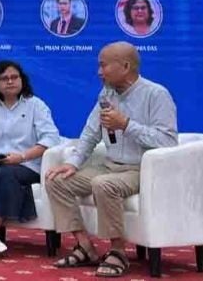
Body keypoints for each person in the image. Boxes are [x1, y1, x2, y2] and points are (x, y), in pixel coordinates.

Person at [45, 42, 177, 277]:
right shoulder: (106, 94)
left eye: (103, 65)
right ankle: (85, 246)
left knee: (103, 184)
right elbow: (90, 132)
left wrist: (126, 125)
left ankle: (117, 252)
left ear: (125, 66)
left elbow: (167, 141)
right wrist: (72, 163)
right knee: (56, 179)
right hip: (108, 165)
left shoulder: (156, 94)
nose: (98, 72)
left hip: (139, 168)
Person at [0, 61, 60, 259]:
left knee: (6, 174)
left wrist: (21, 156)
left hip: (26, 164)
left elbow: (50, 139)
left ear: (22, 80)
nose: (10, 81)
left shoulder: (35, 106)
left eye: (14, 77)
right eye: (4, 78)